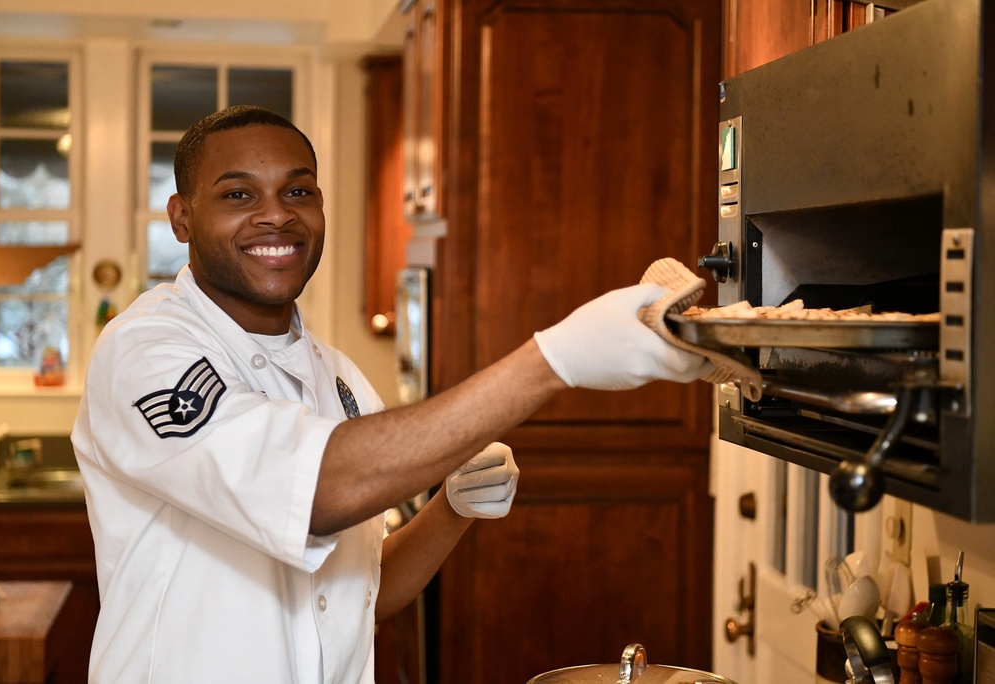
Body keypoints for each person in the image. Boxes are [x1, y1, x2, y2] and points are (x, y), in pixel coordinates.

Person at [71, 105, 711, 683]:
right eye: (239, 194)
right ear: (181, 218)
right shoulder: (145, 351)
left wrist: (451, 509)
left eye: (298, 190)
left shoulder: (342, 378)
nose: (277, 214)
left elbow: (365, 587)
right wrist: (553, 361)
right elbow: (320, 490)